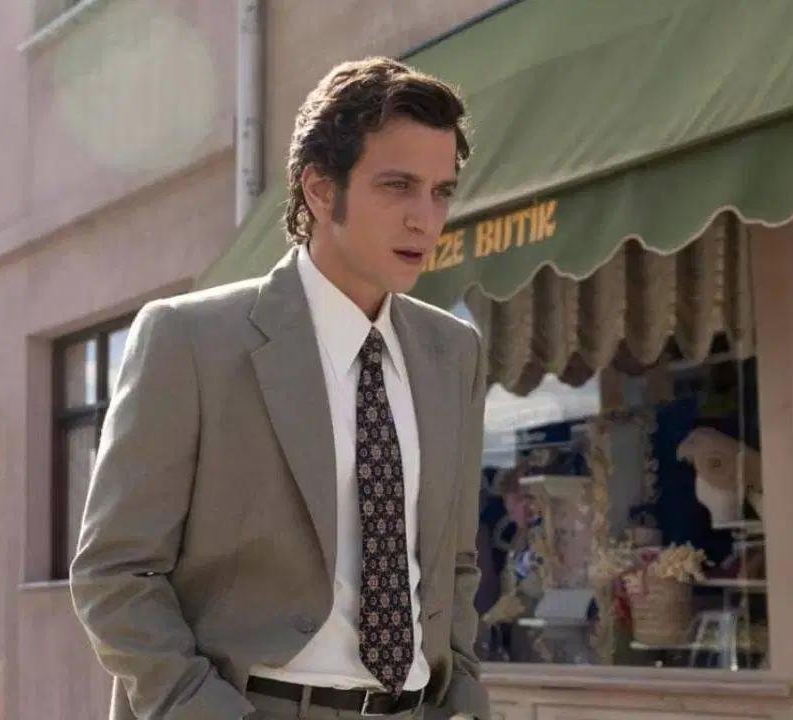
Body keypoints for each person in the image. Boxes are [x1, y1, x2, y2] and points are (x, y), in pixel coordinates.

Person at [71, 57, 490, 720]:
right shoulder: (192, 341)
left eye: (441, 191)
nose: (426, 218)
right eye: (398, 186)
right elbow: (115, 574)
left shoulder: (453, 351)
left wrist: (462, 694)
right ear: (321, 190)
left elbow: (455, 564)